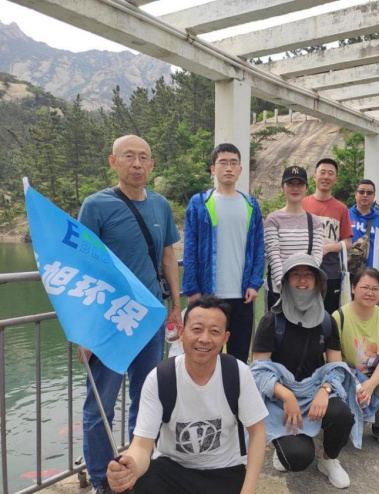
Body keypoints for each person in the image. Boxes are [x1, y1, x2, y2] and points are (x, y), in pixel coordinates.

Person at [77, 135, 182, 494]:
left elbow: (168, 256)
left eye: (143, 158)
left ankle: (137, 470)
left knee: (147, 398)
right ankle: (101, 481)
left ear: (152, 165)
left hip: (150, 318)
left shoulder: (160, 205)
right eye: (128, 157)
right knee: (100, 405)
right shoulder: (96, 205)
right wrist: (85, 330)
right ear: (113, 162)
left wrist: (176, 306)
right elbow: (83, 266)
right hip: (110, 320)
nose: (137, 163)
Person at [106, 296, 268, 494]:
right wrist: (130, 467)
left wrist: (249, 489)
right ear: (182, 333)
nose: (204, 339)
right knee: (136, 483)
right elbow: (141, 445)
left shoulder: (238, 373)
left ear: (225, 338)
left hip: (224, 471)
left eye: (214, 331)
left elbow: (257, 432)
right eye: (197, 329)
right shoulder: (160, 378)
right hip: (173, 471)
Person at [252, 253, 358, 489]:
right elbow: (258, 371)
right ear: (286, 281)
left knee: (342, 414)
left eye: (308, 275)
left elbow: (336, 367)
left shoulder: (326, 321)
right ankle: (281, 440)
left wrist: (325, 389)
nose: (302, 280)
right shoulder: (272, 321)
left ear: (318, 282)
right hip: (280, 397)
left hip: (315, 392)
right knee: (297, 457)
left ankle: (329, 460)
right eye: (296, 275)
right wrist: (286, 395)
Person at [182, 143, 264, 364]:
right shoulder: (199, 203)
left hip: (242, 294)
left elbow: (258, 247)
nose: (229, 168)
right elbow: (190, 248)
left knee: (238, 357)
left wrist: (254, 283)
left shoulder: (251, 205)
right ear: (213, 169)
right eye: (223, 163)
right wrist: (192, 289)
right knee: (205, 353)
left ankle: (234, 388)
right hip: (208, 294)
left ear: (240, 169)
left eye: (234, 163)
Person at [334, 267, 379, 452]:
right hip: (347, 373)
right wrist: (355, 384)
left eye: (375, 289)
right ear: (353, 288)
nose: (370, 293)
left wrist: (370, 384)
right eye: (365, 287)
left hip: (373, 372)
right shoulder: (339, 317)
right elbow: (334, 360)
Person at [265, 166, 323, 309]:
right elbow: (274, 254)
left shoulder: (315, 222)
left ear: (306, 188)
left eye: (300, 184)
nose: (295, 188)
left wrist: (305, 282)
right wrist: (284, 284)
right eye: (290, 184)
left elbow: (317, 254)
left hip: (305, 290)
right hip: (278, 290)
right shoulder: (273, 219)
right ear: (282, 187)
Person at [302, 158, 354, 314]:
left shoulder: (341, 208)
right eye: (322, 172)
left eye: (330, 173)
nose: (326, 177)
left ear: (336, 179)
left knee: (328, 317)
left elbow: (348, 242)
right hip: (304, 271)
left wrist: (328, 248)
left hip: (331, 273)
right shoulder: (302, 204)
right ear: (314, 176)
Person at [349, 180, 379, 268]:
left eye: (369, 193)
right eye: (361, 192)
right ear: (355, 194)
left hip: (371, 271)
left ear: (374, 196)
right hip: (347, 269)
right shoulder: (346, 215)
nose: (365, 195)